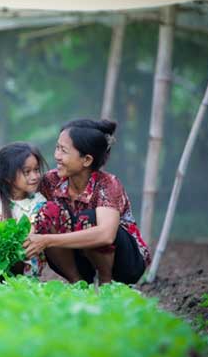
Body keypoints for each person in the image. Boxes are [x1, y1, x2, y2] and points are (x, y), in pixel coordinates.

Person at [22, 118, 150, 285]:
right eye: (57, 148)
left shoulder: (107, 184)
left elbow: (106, 235)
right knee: (49, 211)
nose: (57, 156)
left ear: (87, 160)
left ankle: (106, 284)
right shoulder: (51, 181)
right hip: (82, 259)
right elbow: (18, 188)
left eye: (64, 151)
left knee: (88, 219)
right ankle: (79, 283)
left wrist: (47, 240)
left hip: (125, 264)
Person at [0, 142, 48, 277]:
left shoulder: (39, 202)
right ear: (8, 176)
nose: (34, 177)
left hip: (25, 261)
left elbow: (29, 234)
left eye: (36, 170)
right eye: (27, 172)